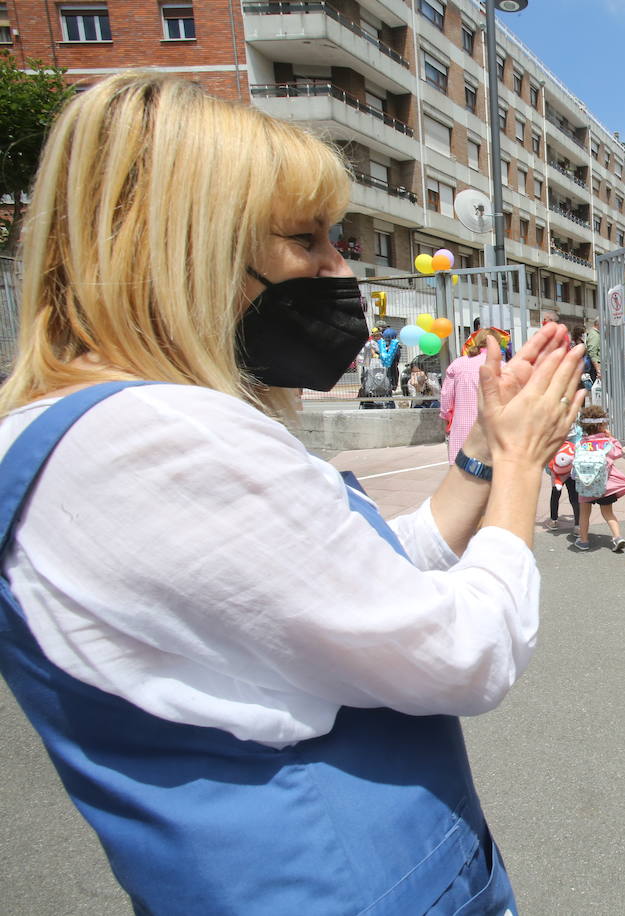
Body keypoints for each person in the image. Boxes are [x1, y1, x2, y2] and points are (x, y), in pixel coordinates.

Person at [0, 72, 585, 914]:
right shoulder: (165, 437)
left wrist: (486, 453)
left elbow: (349, 578)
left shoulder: (79, 429)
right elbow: (465, 651)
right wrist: (526, 463)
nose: (338, 268)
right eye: (306, 239)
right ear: (187, 246)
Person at [573, 405, 625, 552]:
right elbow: (618, 452)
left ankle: (583, 541)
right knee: (608, 513)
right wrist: (611, 437)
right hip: (605, 485)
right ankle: (617, 537)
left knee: (584, 515)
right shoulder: (606, 442)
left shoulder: (581, 443)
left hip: (585, 486)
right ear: (603, 425)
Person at [440, 327, 499, 462]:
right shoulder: (502, 366)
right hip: (490, 433)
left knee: (460, 475)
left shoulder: (458, 364)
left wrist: (447, 420)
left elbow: (446, 398)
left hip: (462, 430)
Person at [584, 316, 602, 406]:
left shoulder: (596, 334)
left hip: (596, 367)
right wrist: (598, 369)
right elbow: (593, 353)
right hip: (595, 369)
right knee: (597, 393)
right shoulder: (594, 335)